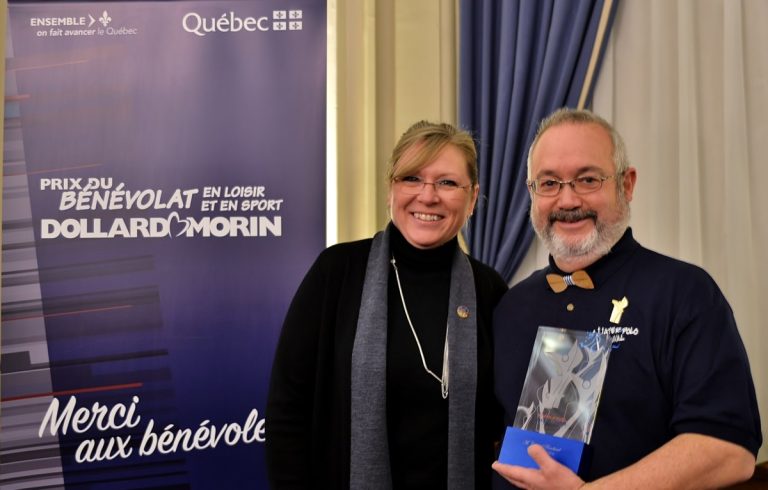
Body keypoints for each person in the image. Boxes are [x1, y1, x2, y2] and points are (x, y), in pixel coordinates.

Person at [492, 108, 762, 489]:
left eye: (587, 179)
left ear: (627, 184)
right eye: (549, 183)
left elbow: (728, 450)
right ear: (531, 193)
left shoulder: (685, 293)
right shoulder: (510, 308)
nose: (567, 201)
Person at [266, 120, 509, 489]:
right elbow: (288, 409)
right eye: (411, 178)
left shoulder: (489, 290)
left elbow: (501, 420)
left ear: (472, 197)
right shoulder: (336, 273)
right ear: (390, 189)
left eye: (446, 182)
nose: (428, 196)